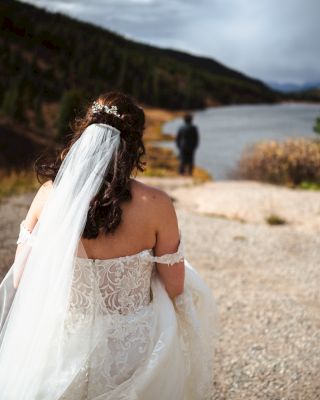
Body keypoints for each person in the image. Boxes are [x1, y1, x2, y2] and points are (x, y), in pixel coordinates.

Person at [0, 92, 216, 399]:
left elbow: (21, 279)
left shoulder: (49, 195)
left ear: (83, 135)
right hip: (131, 349)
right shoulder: (155, 204)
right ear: (134, 146)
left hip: (60, 343)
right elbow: (174, 286)